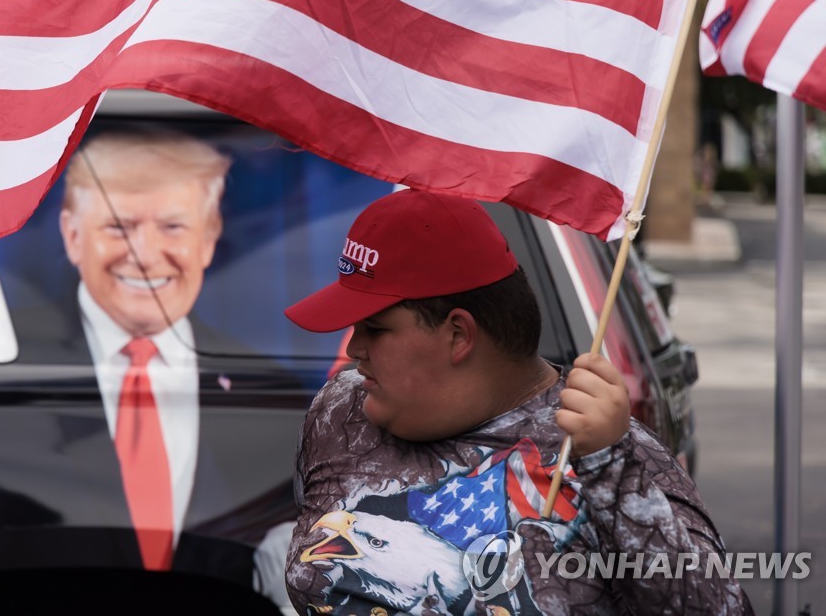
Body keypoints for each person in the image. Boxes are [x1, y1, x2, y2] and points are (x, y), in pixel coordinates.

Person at [283, 189, 753, 615]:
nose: (353, 348)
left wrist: (614, 472)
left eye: (376, 329)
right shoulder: (341, 411)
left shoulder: (602, 453)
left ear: (458, 334)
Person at [59, 127, 239, 574]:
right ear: (73, 236)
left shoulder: (265, 383)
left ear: (208, 239)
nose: (144, 254)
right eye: (119, 227)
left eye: (173, 226)